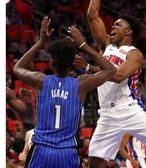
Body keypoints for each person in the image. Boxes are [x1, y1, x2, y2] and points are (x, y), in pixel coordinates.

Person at [85, 0, 146, 167]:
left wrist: (87, 53)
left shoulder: (134, 53)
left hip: (130, 109)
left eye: (118, 25)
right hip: (107, 115)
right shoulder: (106, 45)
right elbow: (92, 15)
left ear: (129, 32)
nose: (113, 25)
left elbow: (118, 76)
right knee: (94, 164)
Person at [13, 16, 116, 168]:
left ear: (51, 62)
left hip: (41, 151)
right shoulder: (82, 84)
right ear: (73, 63)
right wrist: (83, 45)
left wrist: (41, 42)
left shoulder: (40, 80)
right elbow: (111, 69)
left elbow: (17, 68)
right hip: (67, 153)